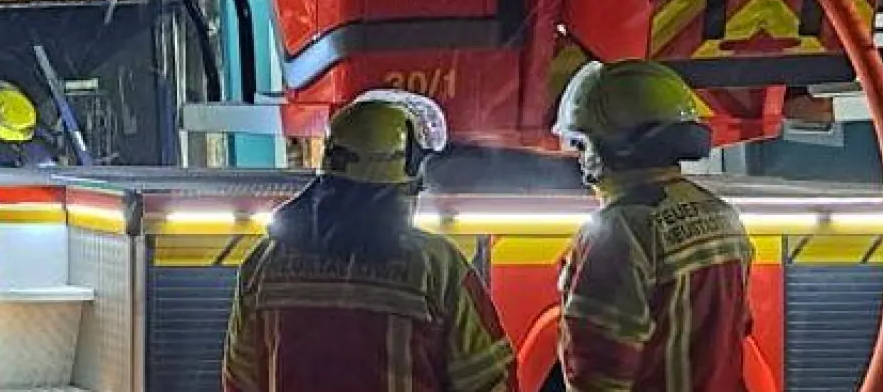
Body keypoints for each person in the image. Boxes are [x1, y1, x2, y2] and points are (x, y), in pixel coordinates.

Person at [223, 91, 516, 392]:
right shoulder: (438, 270)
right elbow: (491, 380)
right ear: (399, 187)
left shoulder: (262, 266)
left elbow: (240, 381)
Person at [552, 59, 754, 392]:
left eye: (582, 144)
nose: (580, 156)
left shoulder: (619, 232)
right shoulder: (721, 214)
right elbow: (739, 327)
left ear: (608, 147)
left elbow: (599, 372)